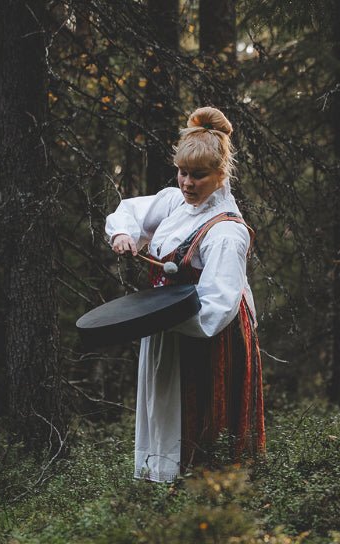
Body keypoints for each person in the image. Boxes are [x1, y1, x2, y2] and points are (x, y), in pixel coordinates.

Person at [105, 106, 265, 483]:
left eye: (199, 175)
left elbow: (217, 306)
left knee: (200, 421)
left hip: (205, 337)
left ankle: (203, 504)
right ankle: (159, 487)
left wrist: (161, 319)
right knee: (162, 407)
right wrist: (123, 234)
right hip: (166, 326)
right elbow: (130, 211)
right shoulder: (176, 202)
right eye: (183, 172)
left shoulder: (227, 232)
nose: (187, 183)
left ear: (221, 174)